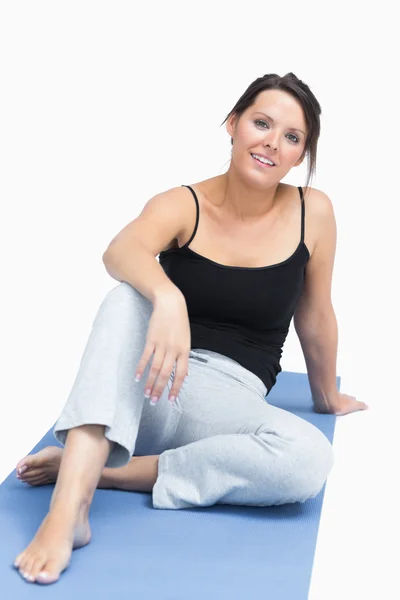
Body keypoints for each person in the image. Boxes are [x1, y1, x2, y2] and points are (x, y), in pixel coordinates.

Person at [13, 72, 368, 585]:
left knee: (309, 460)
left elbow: (315, 312)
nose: (272, 141)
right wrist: (168, 296)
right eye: (261, 123)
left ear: (300, 155)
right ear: (233, 124)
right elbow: (120, 250)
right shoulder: (183, 203)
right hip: (151, 384)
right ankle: (69, 508)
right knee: (124, 297)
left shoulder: (314, 212)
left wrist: (327, 398)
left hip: (228, 403)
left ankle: (104, 471)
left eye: (291, 137)